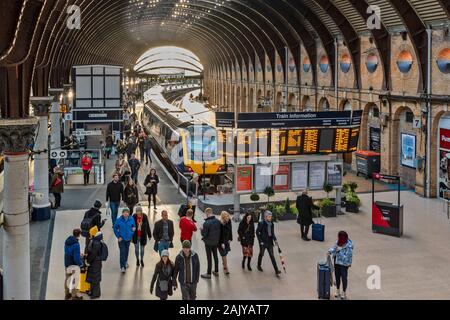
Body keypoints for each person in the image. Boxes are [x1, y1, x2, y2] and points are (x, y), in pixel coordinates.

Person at [328, 231, 353, 300]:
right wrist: (330, 251)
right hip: (337, 262)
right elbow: (334, 248)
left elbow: (347, 258)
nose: (338, 238)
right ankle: (337, 290)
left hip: (344, 265)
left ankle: (344, 292)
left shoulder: (349, 246)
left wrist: (339, 252)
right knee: (337, 276)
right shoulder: (338, 242)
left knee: (344, 278)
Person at [256, 211, 282, 277]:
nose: (270, 218)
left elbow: (272, 233)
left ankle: (276, 270)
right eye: (269, 216)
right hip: (263, 242)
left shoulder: (272, 223)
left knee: (272, 256)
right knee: (261, 254)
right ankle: (259, 265)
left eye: (271, 216)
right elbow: (257, 232)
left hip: (270, 242)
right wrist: (260, 241)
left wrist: (275, 240)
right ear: (265, 217)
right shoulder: (261, 223)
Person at [200, 208, 221, 279]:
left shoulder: (206, 223)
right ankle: (216, 271)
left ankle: (209, 273)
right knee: (215, 256)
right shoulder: (218, 221)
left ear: (207, 213)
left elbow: (204, 234)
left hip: (208, 243)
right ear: (212, 212)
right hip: (215, 242)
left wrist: (201, 229)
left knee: (209, 258)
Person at [114, 208, 136, 273]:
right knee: (122, 252)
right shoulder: (119, 220)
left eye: (127, 212)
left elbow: (133, 226)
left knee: (126, 251)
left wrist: (132, 233)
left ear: (129, 213)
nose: (126, 213)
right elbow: (115, 228)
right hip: (121, 239)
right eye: (124, 212)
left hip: (128, 239)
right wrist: (118, 236)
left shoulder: (131, 219)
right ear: (122, 213)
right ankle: (122, 267)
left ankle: (125, 261)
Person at [64, 229, 84, 300]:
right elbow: (76, 258)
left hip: (67, 263)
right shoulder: (76, 244)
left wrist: (78, 254)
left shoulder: (67, 241)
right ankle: (74, 295)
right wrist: (81, 264)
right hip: (73, 264)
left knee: (67, 278)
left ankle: (67, 294)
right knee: (74, 280)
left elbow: (70, 252)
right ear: (79, 235)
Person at [85, 229, 104, 299]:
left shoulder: (96, 243)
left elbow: (93, 254)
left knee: (95, 278)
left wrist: (88, 260)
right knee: (93, 278)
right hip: (97, 262)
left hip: (95, 263)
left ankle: (96, 294)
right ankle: (92, 292)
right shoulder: (97, 241)